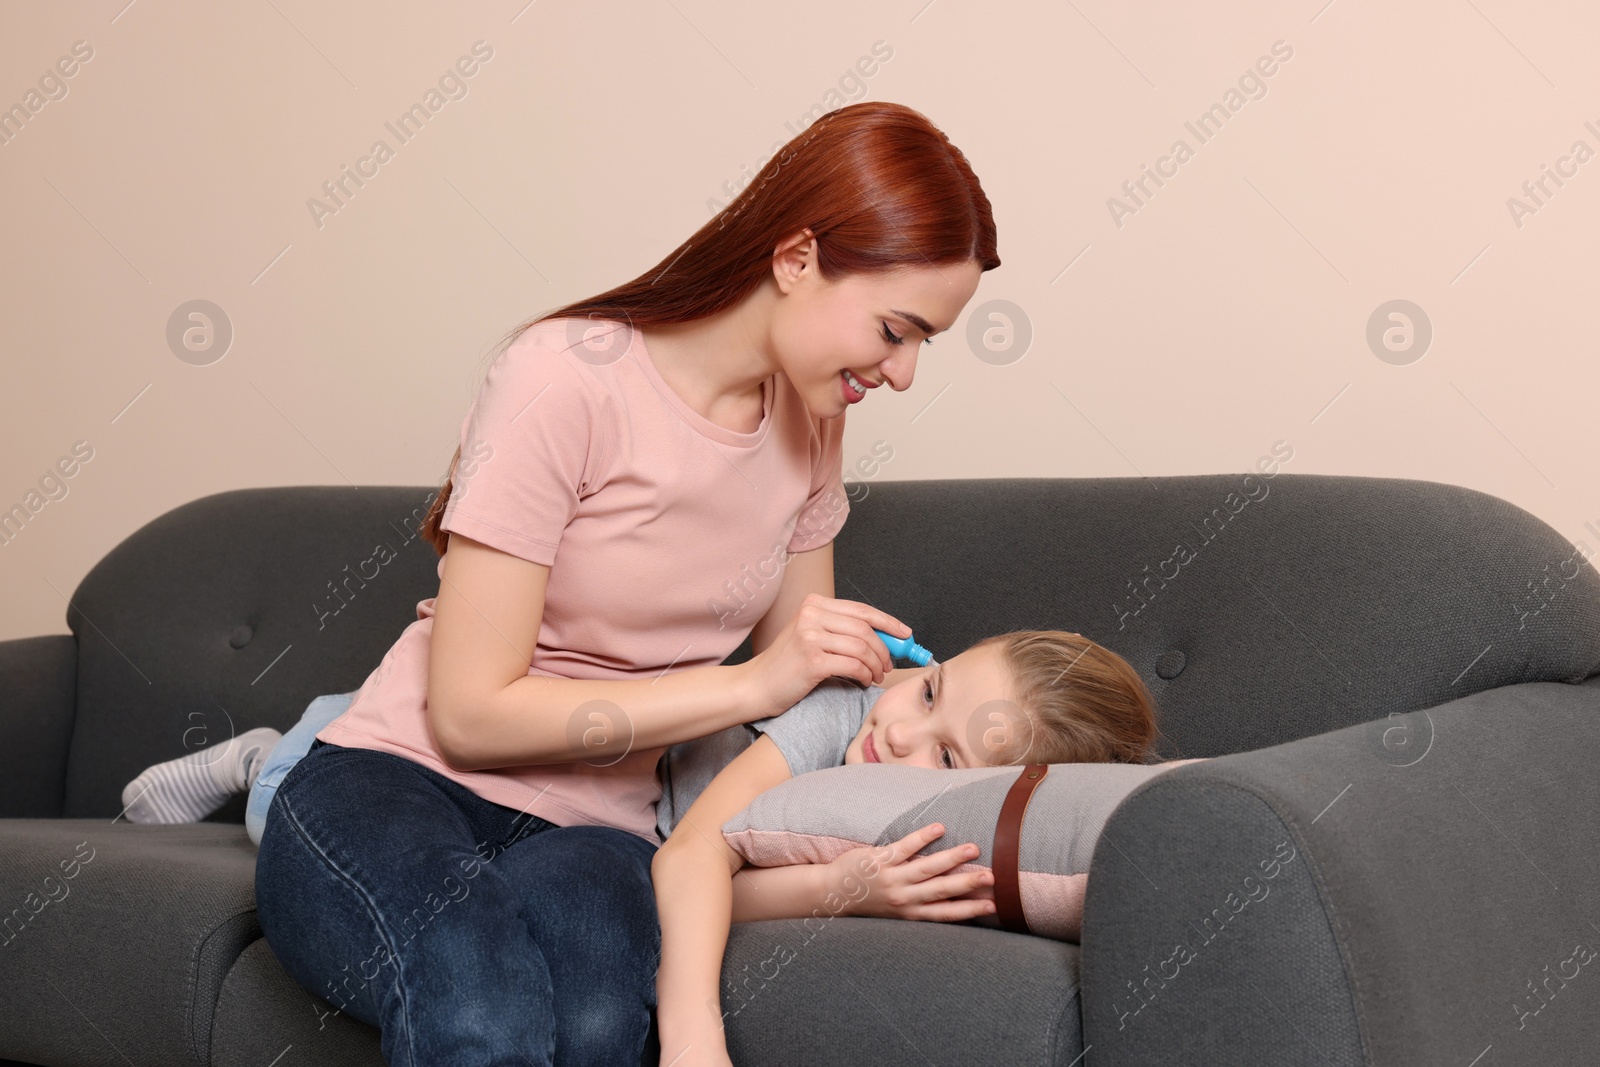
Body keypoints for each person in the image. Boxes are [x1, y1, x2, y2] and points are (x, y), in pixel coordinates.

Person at [246, 99, 999, 1066]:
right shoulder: (564, 378)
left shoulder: (812, 426)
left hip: (601, 825)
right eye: (897, 330)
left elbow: (807, 695)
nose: (901, 372)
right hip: (404, 776)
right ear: (796, 258)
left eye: (922, 343)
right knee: (479, 1002)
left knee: (599, 1027)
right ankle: (270, 761)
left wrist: (964, 727)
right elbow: (471, 715)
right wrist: (751, 683)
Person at [648, 630, 1204, 1067]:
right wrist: (692, 1045)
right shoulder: (834, 711)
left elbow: (726, 894)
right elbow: (689, 861)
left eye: (945, 759)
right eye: (930, 691)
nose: (899, 733)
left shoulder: (930, 825)